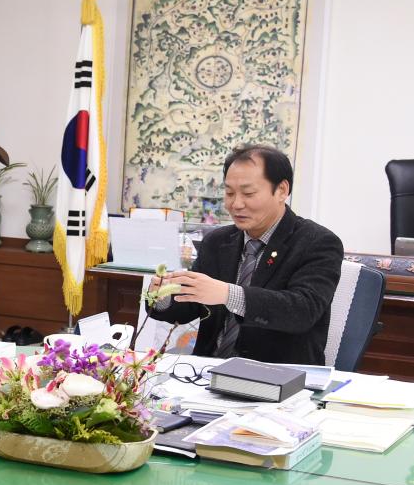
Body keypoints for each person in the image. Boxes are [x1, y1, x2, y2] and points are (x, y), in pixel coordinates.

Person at [147, 144, 343, 365]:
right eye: (229, 192)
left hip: (277, 377)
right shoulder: (218, 241)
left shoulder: (317, 242)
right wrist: (162, 297)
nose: (236, 204)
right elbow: (191, 306)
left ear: (282, 190)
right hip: (206, 373)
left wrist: (229, 295)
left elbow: (302, 311)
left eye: (248, 193)